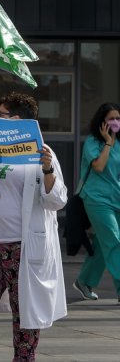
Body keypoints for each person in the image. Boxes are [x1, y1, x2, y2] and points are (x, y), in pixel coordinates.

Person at [0, 92, 67, 361]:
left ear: (17, 120)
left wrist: (48, 170)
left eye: (2, 114)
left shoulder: (42, 153)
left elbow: (57, 200)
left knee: (25, 317)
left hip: (23, 250)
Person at [71, 102, 120, 302]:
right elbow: (99, 167)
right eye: (111, 118)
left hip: (116, 198)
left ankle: (84, 280)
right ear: (102, 122)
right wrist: (108, 142)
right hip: (96, 199)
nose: (115, 122)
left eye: (118, 118)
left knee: (102, 244)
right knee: (115, 241)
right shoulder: (93, 142)